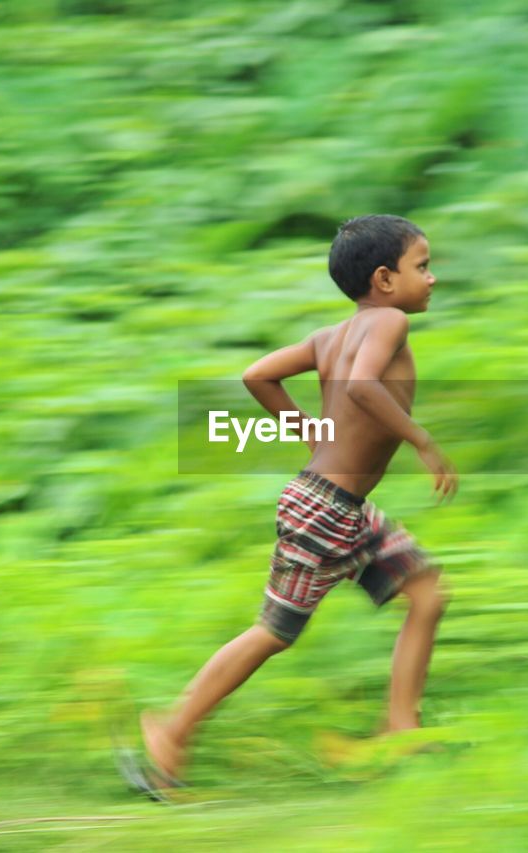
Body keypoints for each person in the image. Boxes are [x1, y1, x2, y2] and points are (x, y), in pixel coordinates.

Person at [138, 214, 457, 799]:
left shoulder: (330, 336)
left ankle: (401, 728)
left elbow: (258, 375)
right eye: (423, 266)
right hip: (325, 511)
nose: (433, 279)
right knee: (274, 631)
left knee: (427, 592)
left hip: (343, 507)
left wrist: (312, 431)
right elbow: (363, 386)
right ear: (384, 280)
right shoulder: (387, 323)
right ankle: (171, 729)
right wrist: (421, 440)